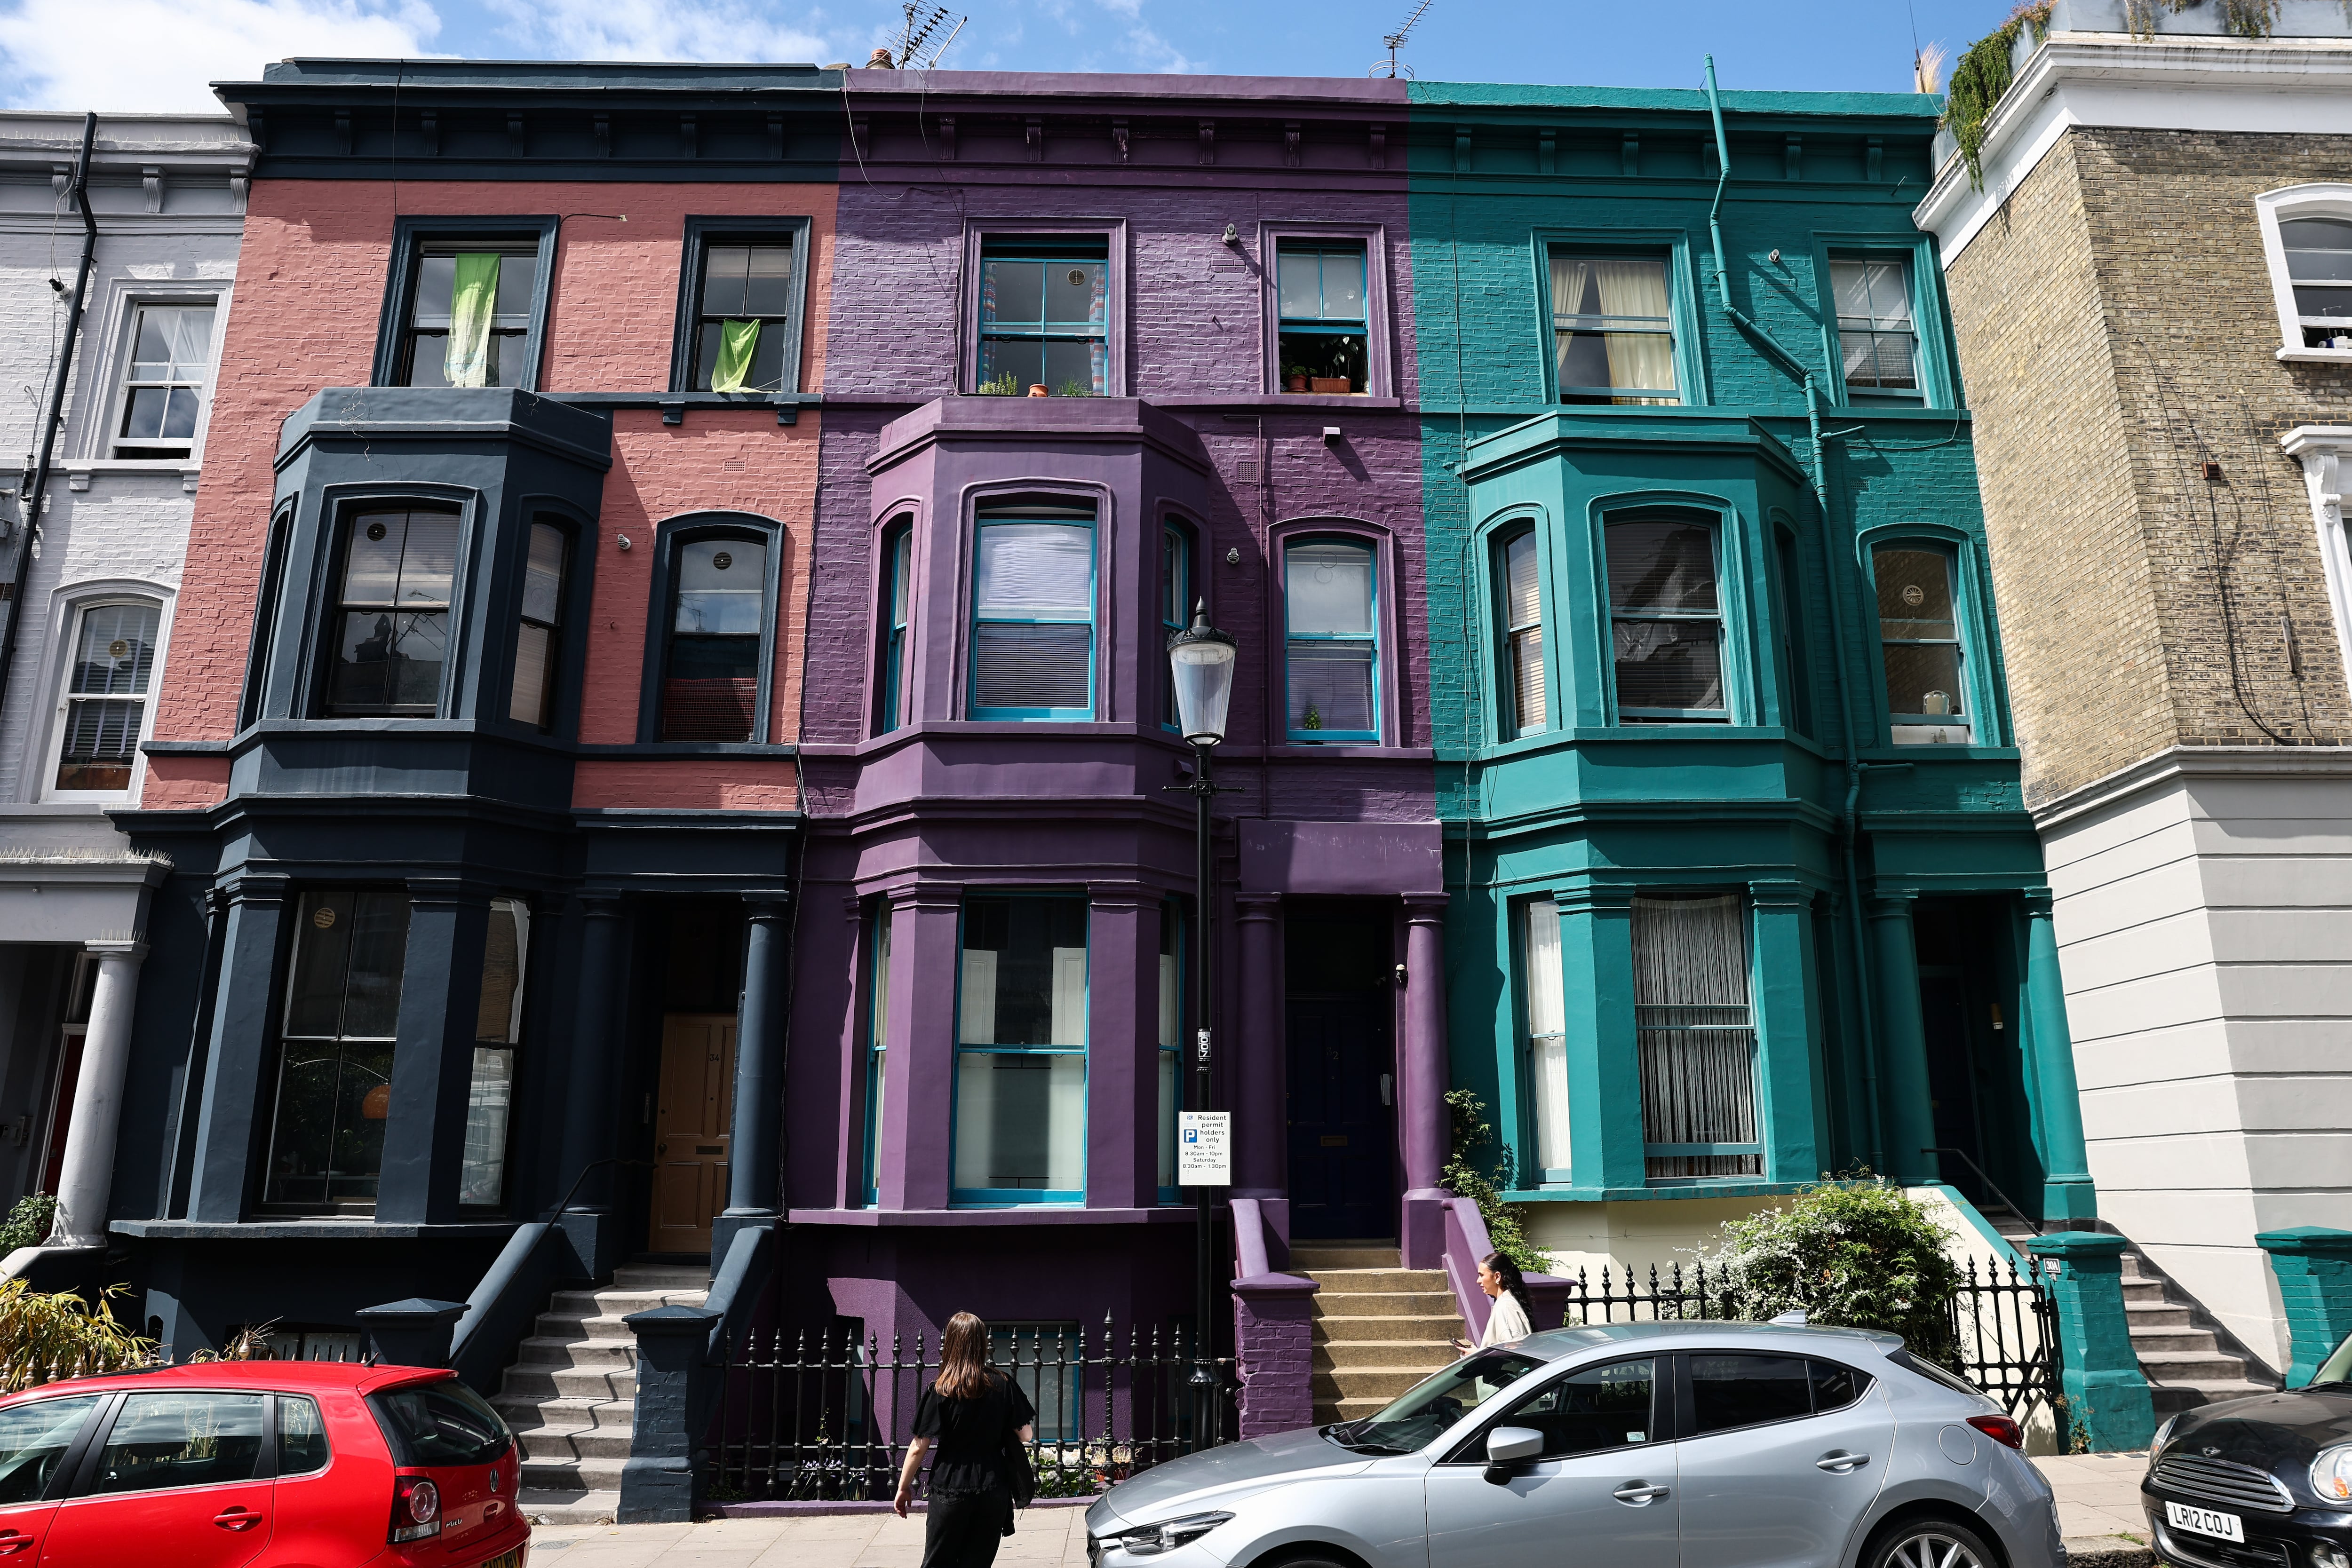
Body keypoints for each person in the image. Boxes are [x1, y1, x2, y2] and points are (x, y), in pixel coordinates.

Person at [894, 1312, 1037, 1568]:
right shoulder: (1002, 1383)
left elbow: (918, 1447)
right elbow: (1026, 1435)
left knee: (938, 1562)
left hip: (951, 1485)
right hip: (993, 1486)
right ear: (982, 1343)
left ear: (950, 1343)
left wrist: (904, 1487)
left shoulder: (941, 1388)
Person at [1453, 1251, 1535, 1352]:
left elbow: (1514, 1351)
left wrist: (1477, 1355)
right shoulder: (1505, 1303)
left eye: (1482, 1275)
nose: (1478, 1281)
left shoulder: (1506, 1307)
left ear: (1497, 1277)